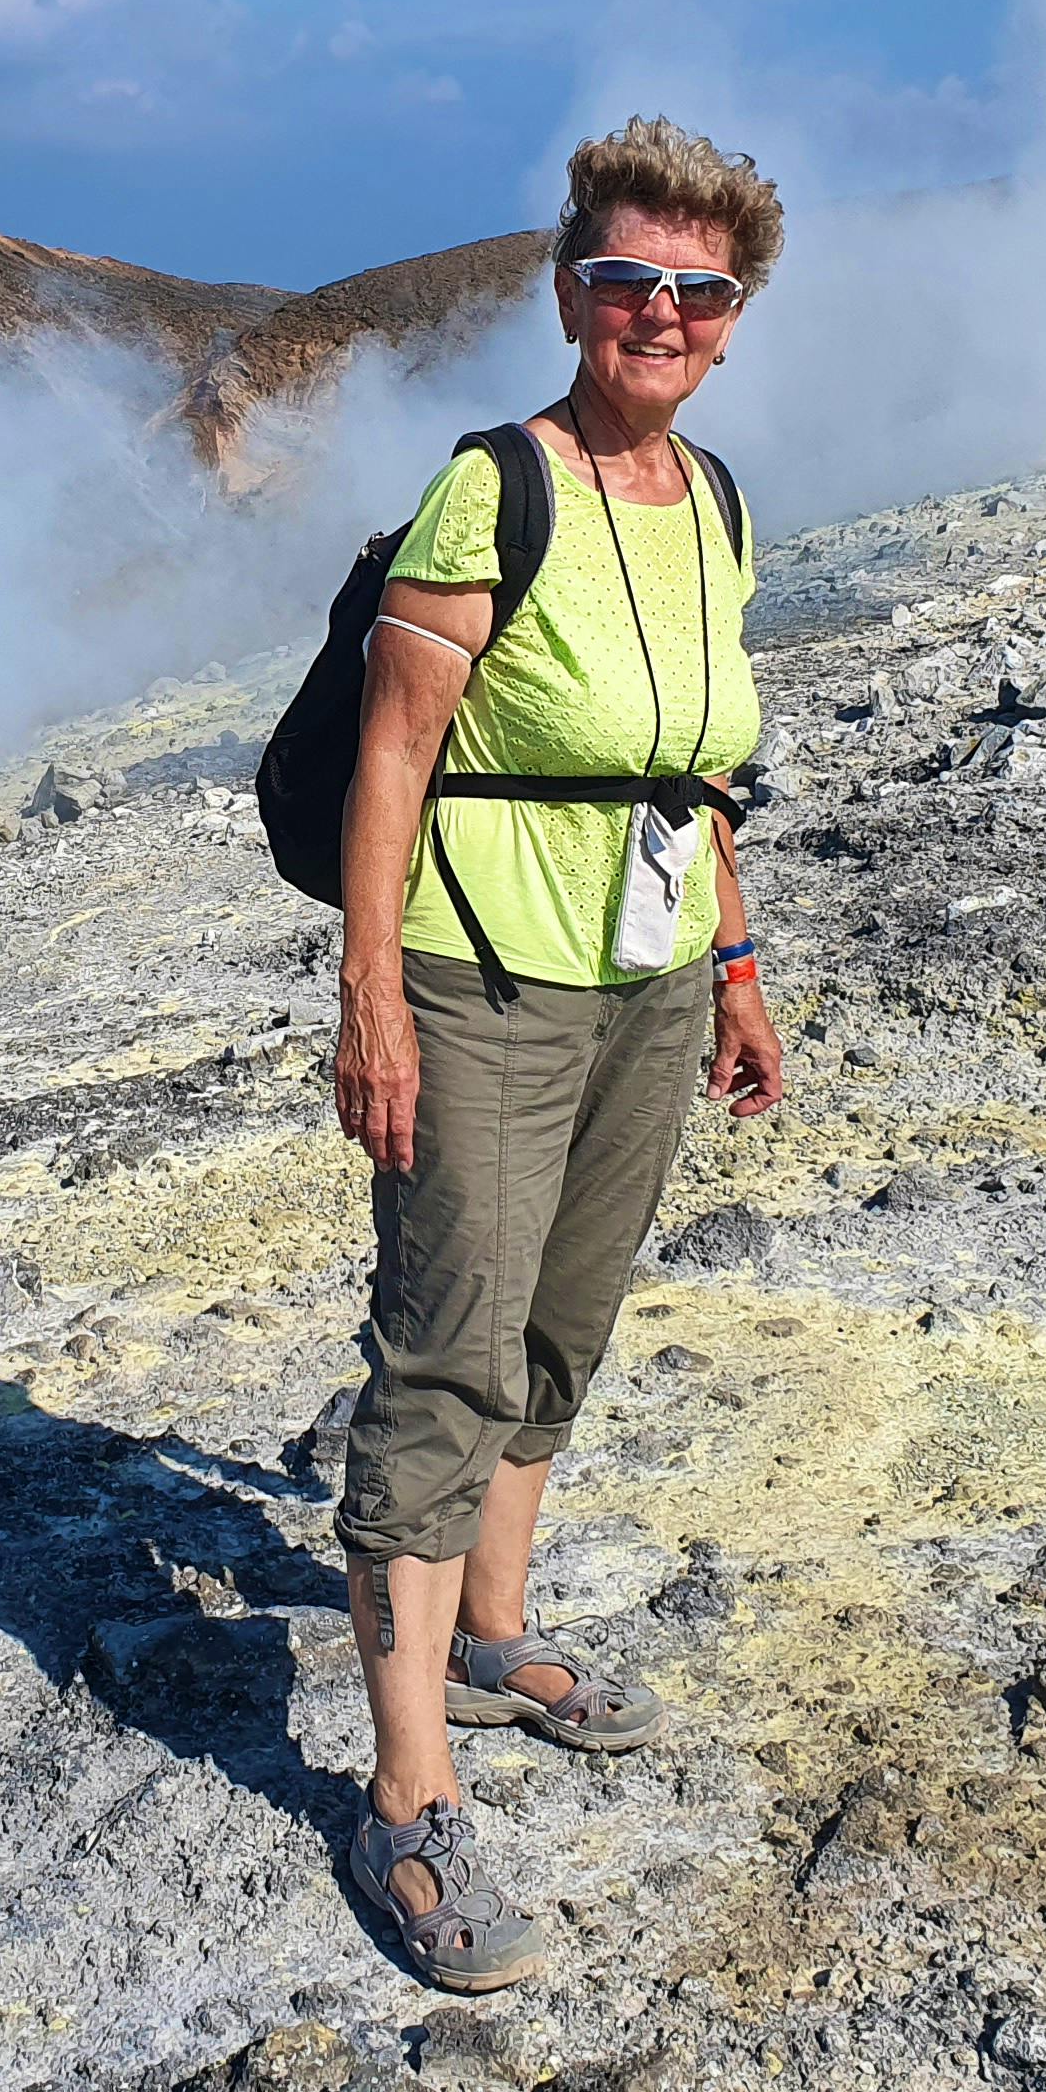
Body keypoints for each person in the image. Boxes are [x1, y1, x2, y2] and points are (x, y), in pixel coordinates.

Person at [328, 115, 787, 1989]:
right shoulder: (492, 490)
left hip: (648, 975)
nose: (659, 315)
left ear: (734, 317)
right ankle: (405, 1795)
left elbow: (699, 769)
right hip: (484, 974)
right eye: (625, 280)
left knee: (560, 1325)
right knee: (447, 1347)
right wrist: (370, 998)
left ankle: (492, 1631)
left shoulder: (716, 500)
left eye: (699, 291)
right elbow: (391, 756)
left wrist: (734, 964)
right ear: (569, 292)